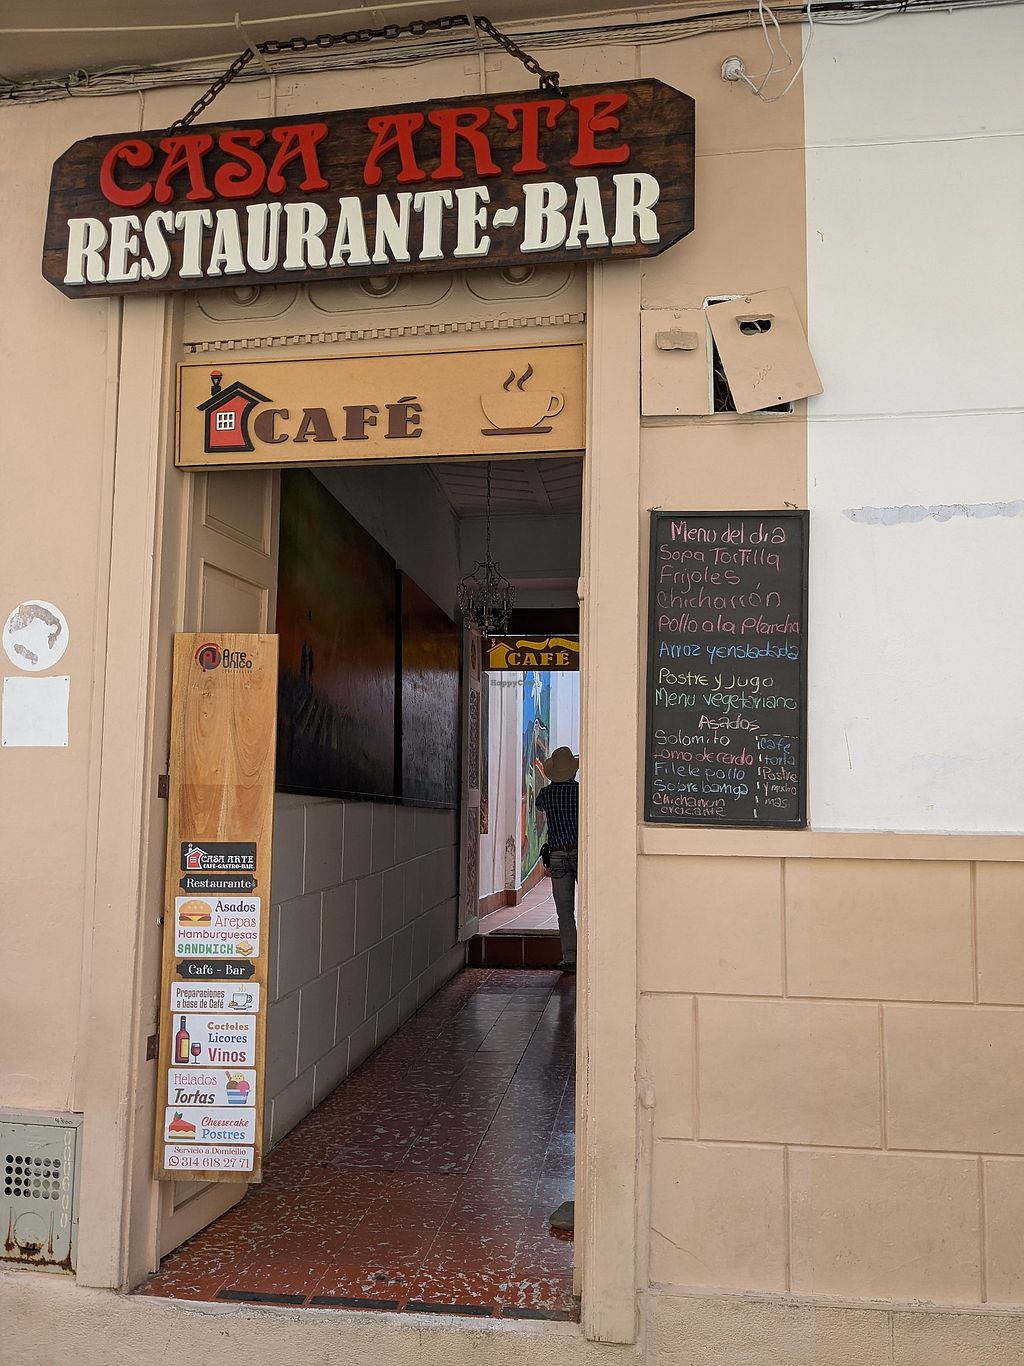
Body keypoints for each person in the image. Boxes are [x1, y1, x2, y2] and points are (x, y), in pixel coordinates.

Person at [535, 746, 579, 973]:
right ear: (572, 771)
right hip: (580, 853)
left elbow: (538, 806)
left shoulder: (546, 794)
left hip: (557, 855)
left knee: (564, 910)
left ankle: (570, 957)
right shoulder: (581, 792)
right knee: (590, 905)